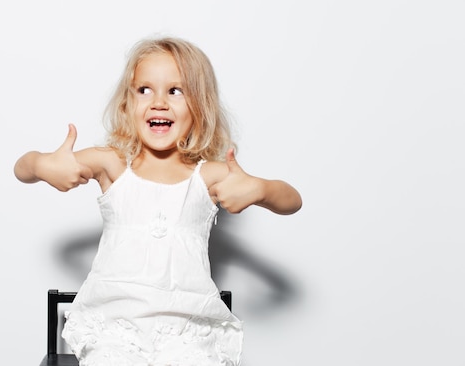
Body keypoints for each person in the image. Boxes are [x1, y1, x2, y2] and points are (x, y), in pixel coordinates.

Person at [15, 36, 302, 366]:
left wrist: (261, 189)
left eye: (175, 91)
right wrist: (42, 164)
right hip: (115, 327)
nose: (159, 103)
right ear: (127, 104)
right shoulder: (112, 165)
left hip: (186, 329)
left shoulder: (208, 175)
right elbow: (22, 168)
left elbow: (292, 200)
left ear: (200, 106)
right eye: (144, 90)